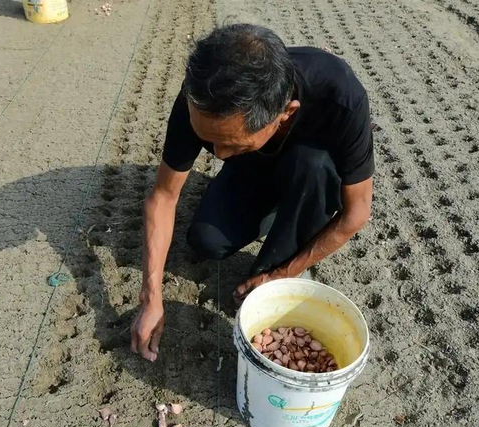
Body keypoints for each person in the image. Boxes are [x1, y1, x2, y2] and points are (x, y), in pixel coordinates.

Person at [130, 24, 374, 362]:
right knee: (206, 242)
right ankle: (263, 200)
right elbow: (163, 197)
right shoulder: (201, 96)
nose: (217, 155)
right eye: (209, 141)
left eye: (230, 144)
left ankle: (276, 262)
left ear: (285, 114)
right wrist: (151, 296)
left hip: (310, 179)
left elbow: (357, 211)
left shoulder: (341, 97)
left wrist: (282, 273)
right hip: (255, 167)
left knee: (314, 165)